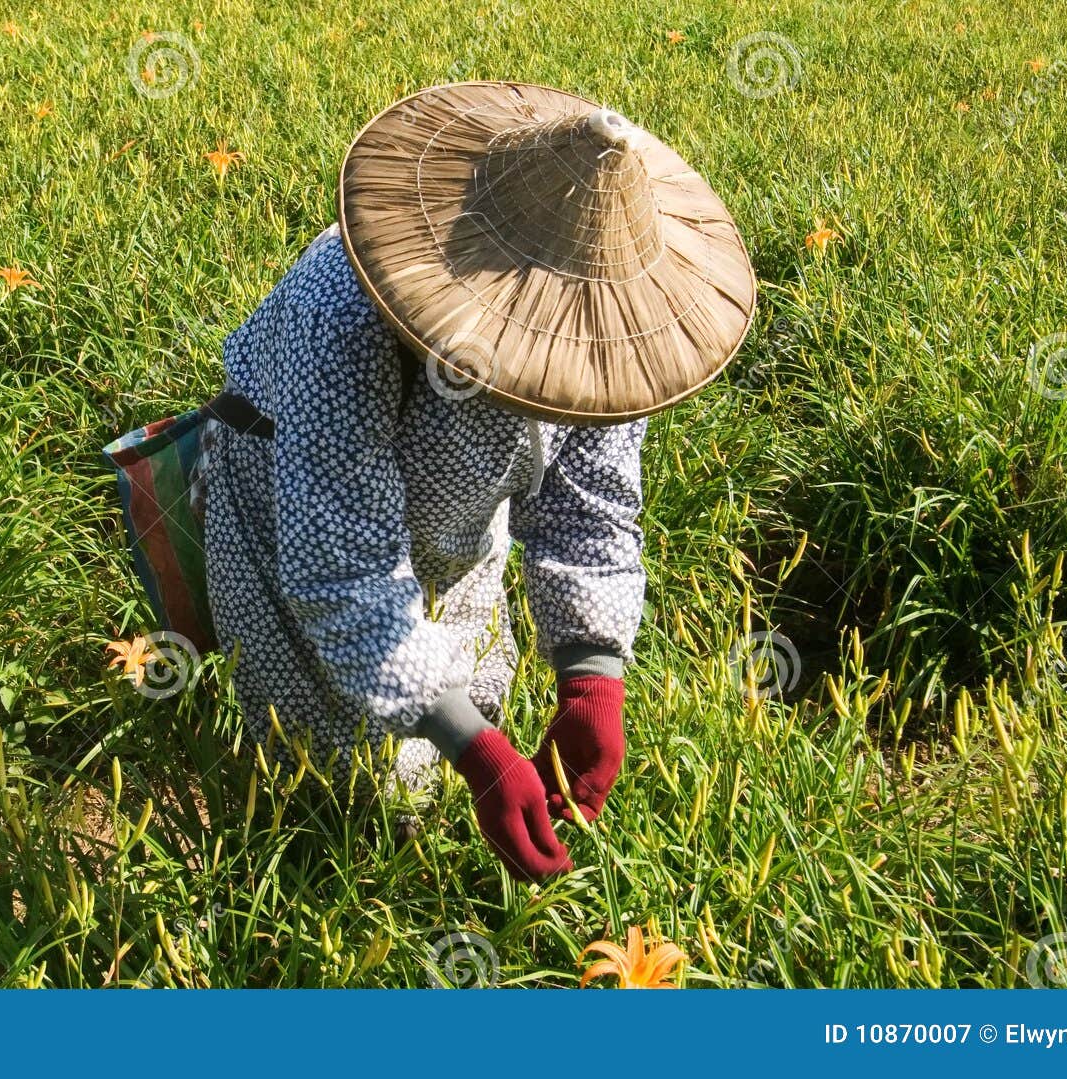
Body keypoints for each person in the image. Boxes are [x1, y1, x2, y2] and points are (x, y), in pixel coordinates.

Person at [194, 82, 755, 881]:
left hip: (460, 530)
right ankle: (309, 880)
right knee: (321, 770)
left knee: (446, 726)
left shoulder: (618, 333)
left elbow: (588, 511)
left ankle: (412, 849)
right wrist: (481, 752)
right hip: (292, 522)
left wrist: (593, 682)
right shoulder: (345, 309)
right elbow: (341, 568)